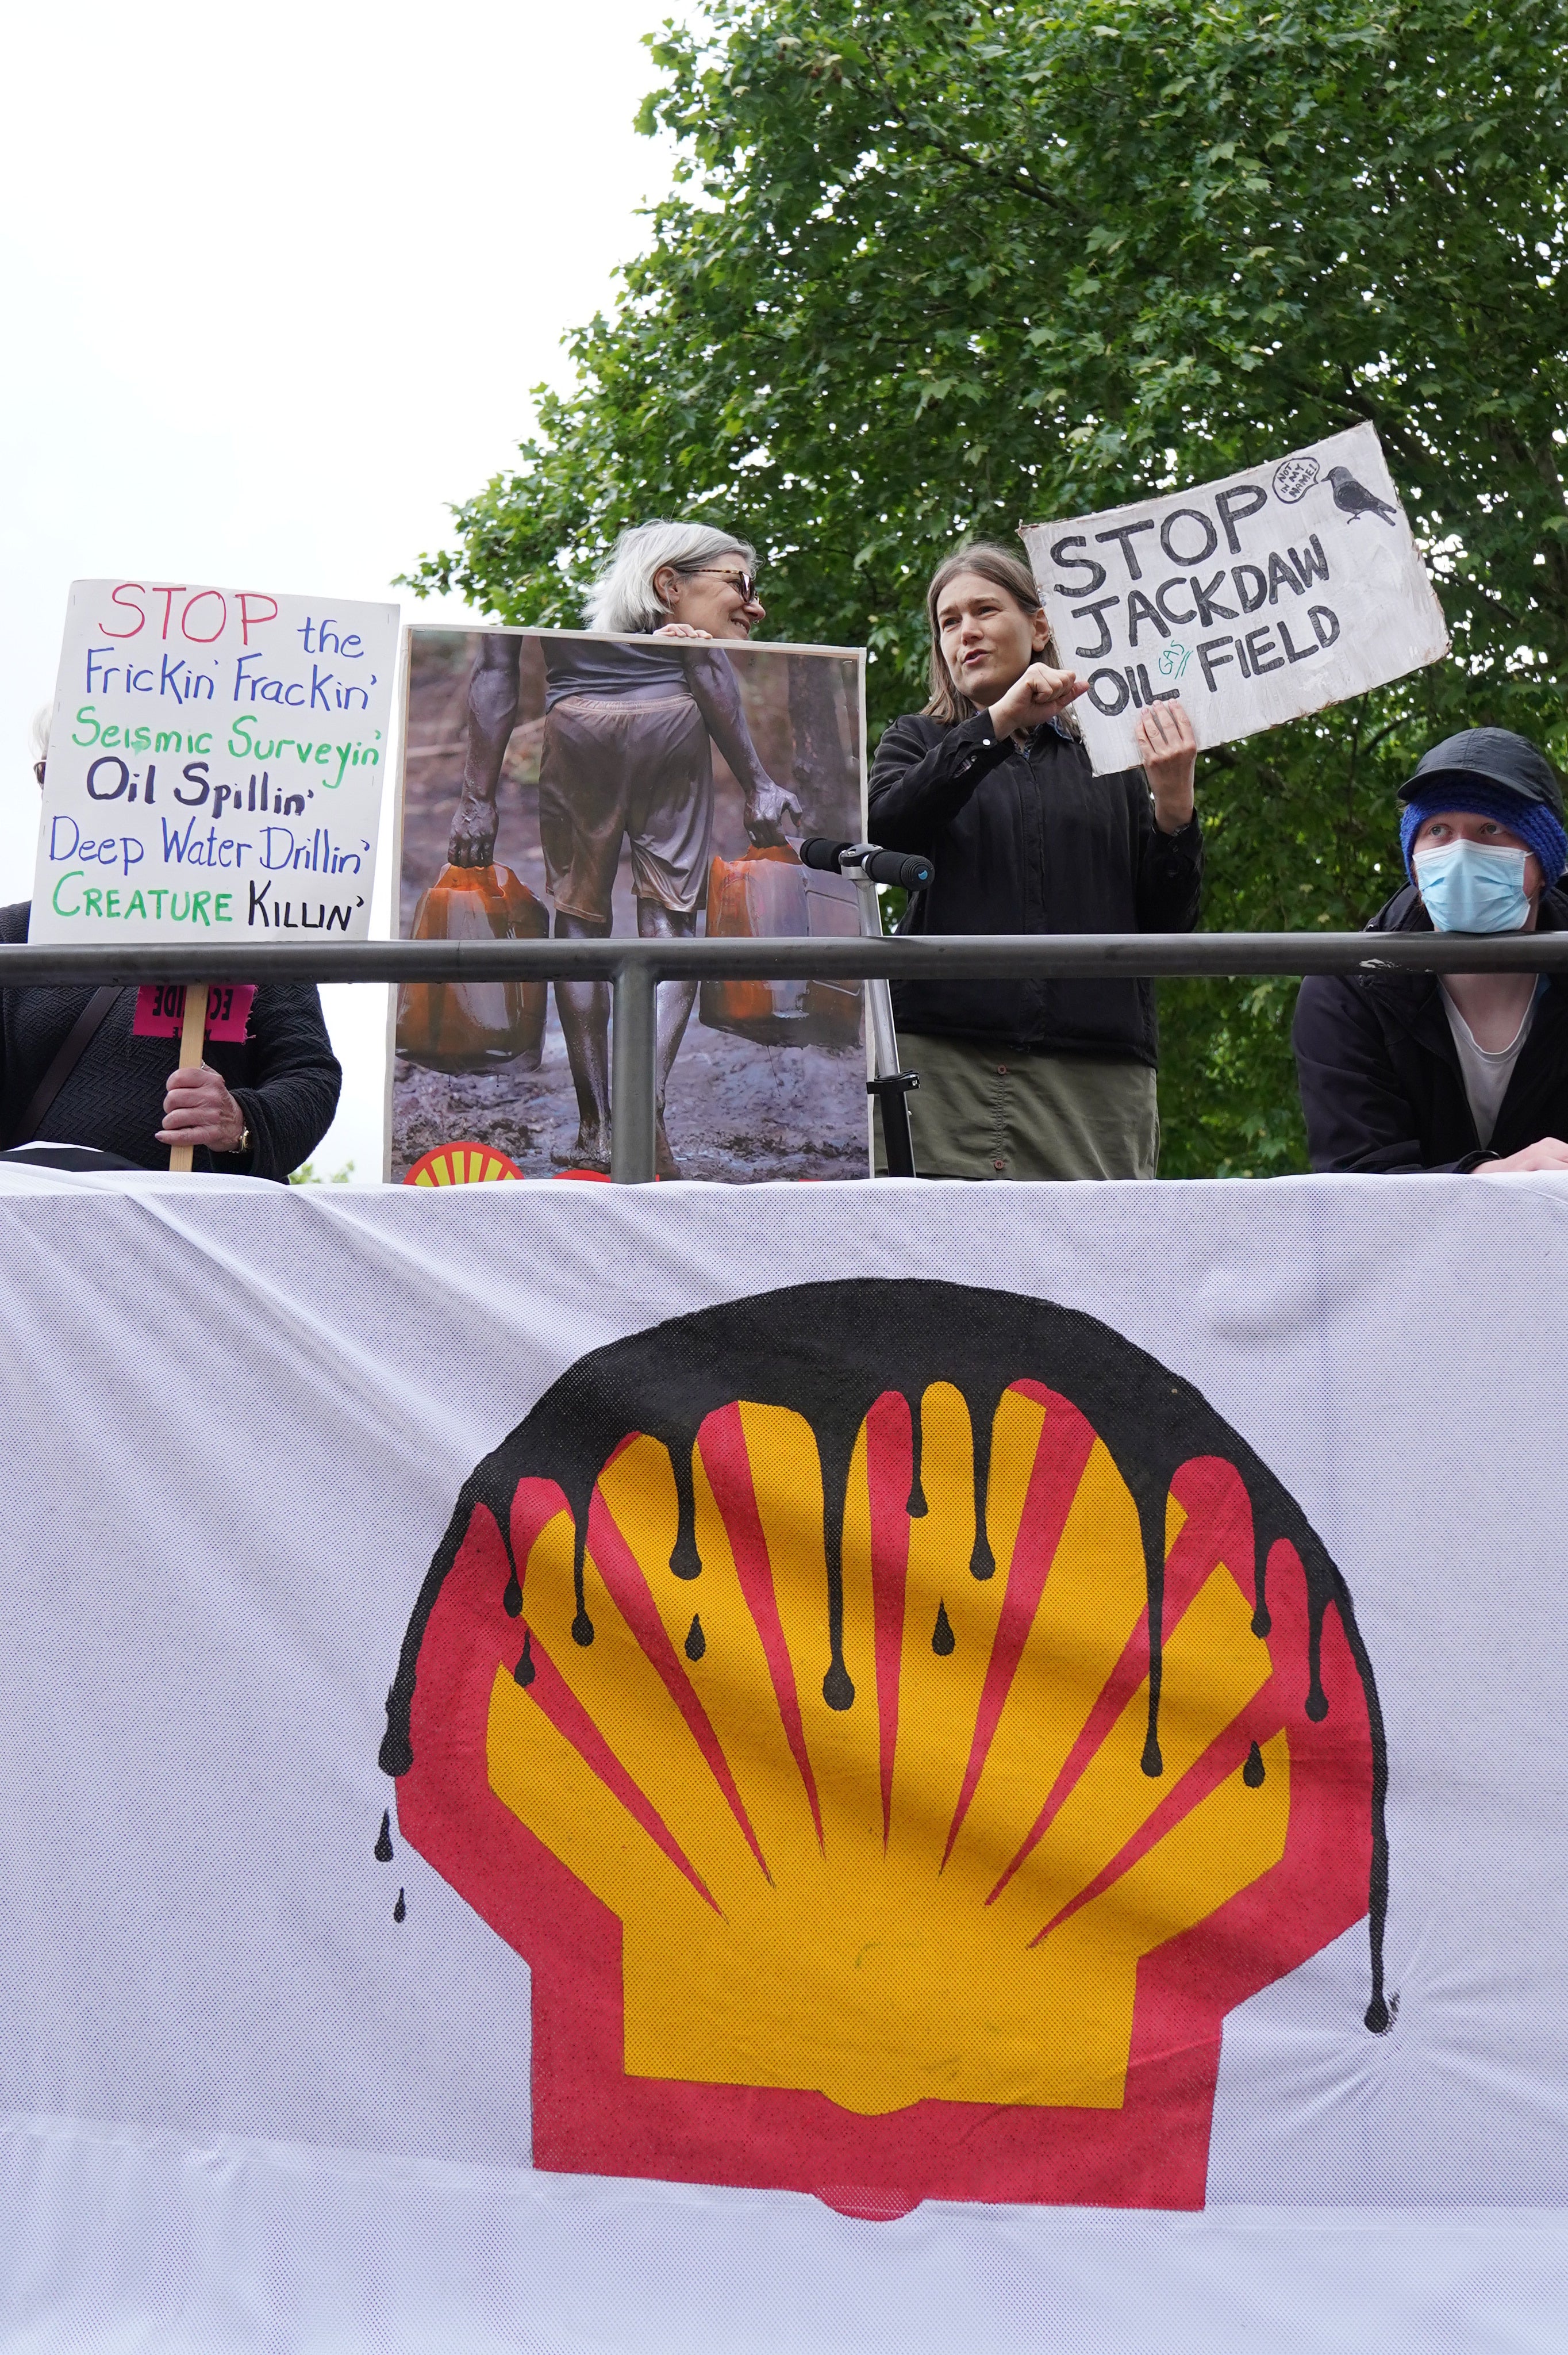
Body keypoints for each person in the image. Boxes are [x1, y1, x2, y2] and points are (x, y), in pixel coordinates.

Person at [445, 522, 802, 1176]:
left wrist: (478, 798)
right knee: (673, 920)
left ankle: (595, 1129)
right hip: (672, 723)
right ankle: (649, 1094)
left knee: (578, 924)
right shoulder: (688, 643)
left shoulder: (538, 615)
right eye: (741, 584)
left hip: (576, 728)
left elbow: (496, 670)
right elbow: (710, 681)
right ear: (668, 584)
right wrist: (759, 783)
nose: (756, 604)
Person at [866, 542, 1203, 1179]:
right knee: (926, 1271)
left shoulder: (1110, 756)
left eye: (984, 610)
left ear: (1039, 626)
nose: (965, 632)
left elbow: (1167, 924)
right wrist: (993, 726)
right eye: (948, 621)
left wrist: (1175, 804)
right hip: (942, 1060)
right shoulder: (916, 739)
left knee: (1085, 1270)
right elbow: (889, 826)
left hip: (1094, 1071)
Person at [0, 721, 341, 1178]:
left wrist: (240, 1121)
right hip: (45, 1230)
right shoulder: (12, 934)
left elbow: (310, 1074)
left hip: (195, 1231)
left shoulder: (250, 927)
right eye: (53, 770)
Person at [1292, 727, 1568, 1173]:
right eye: (1438, 830)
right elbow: (1362, 1186)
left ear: (1543, 861)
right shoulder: (1346, 993)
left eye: (1491, 827)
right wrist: (1491, 1179)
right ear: (1415, 866)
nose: (1461, 853)